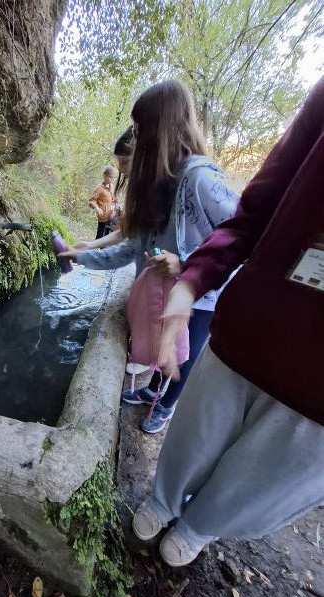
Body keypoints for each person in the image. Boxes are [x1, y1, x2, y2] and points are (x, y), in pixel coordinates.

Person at [132, 76, 324, 568]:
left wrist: (189, 274)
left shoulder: (201, 178)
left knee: (261, 479)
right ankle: (164, 500)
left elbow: (222, 217)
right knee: (196, 433)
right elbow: (250, 215)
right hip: (249, 326)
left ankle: (198, 527)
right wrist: (190, 280)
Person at [64, 80, 239, 433]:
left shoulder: (201, 179)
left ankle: (167, 405)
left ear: (161, 129)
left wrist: (186, 266)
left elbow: (244, 238)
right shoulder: (157, 186)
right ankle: (151, 392)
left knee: (183, 354)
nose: (134, 135)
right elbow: (132, 249)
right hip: (167, 289)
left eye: (139, 127)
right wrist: (80, 258)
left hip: (204, 295)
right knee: (165, 346)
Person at [89, 165, 116, 239]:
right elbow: (91, 201)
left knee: (106, 237)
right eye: (110, 177)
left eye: (112, 177)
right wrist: (97, 208)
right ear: (105, 176)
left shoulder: (112, 187)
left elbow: (113, 198)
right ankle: (95, 246)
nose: (111, 179)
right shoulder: (99, 188)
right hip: (103, 217)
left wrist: (115, 200)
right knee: (100, 236)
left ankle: (102, 247)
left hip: (110, 216)